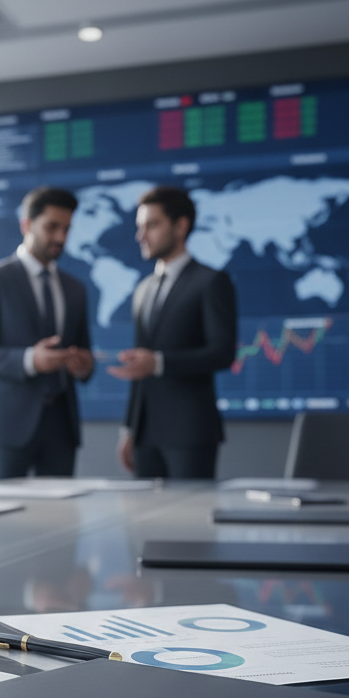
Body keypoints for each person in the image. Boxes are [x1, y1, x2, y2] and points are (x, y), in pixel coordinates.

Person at [0, 186, 94, 479]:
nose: (61, 237)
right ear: (26, 224)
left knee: (62, 519)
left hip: (61, 427)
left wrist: (84, 366)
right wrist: (29, 360)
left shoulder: (75, 288)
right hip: (7, 426)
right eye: (52, 227)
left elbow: (84, 352)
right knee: (2, 521)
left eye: (66, 229)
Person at [109, 186, 236, 479]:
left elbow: (222, 352)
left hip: (190, 432)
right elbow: (140, 368)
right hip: (145, 435)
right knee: (143, 523)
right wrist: (129, 428)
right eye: (140, 227)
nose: (141, 236)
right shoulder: (142, 290)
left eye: (152, 225)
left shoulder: (211, 282)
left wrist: (159, 362)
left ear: (181, 226)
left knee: (189, 521)